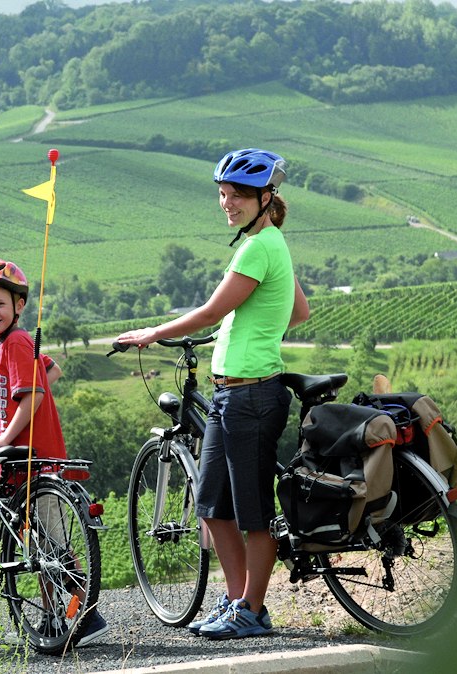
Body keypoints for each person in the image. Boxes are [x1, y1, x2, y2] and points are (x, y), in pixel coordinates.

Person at [115, 148, 310, 640]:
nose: (228, 203)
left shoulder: (257, 247)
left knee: (253, 513)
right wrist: (251, 329)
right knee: (213, 505)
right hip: (232, 394)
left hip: (253, 395)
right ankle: (238, 601)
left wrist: (151, 334)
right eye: (224, 195)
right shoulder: (271, 243)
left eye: (239, 195)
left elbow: (207, 312)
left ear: (266, 198)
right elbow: (298, 310)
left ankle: (253, 611)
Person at [0, 258, 109, 647]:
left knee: (53, 545)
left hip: (30, 456)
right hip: (22, 461)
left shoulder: (15, 342)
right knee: (41, 547)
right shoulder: (12, 343)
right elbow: (51, 371)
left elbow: (33, 394)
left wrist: (4, 436)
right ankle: (52, 616)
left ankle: (85, 614)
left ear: (19, 306)